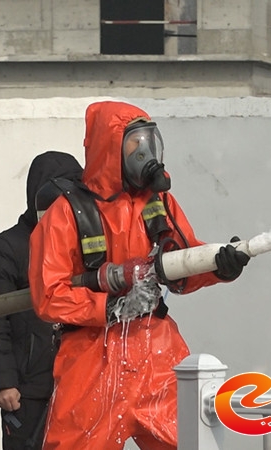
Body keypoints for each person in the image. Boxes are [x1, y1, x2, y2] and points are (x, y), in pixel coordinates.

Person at [28, 101, 250, 449]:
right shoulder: (67, 213)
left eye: (149, 141)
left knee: (191, 442)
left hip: (156, 351)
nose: (146, 153)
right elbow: (49, 295)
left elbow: (181, 263)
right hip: (91, 357)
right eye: (135, 144)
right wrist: (109, 307)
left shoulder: (158, 203)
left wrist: (218, 267)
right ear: (109, 149)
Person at [0, 150, 84, 450]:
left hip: (79, 379)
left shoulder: (84, 244)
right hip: (28, 389)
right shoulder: (5, 248)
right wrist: (4, 383)